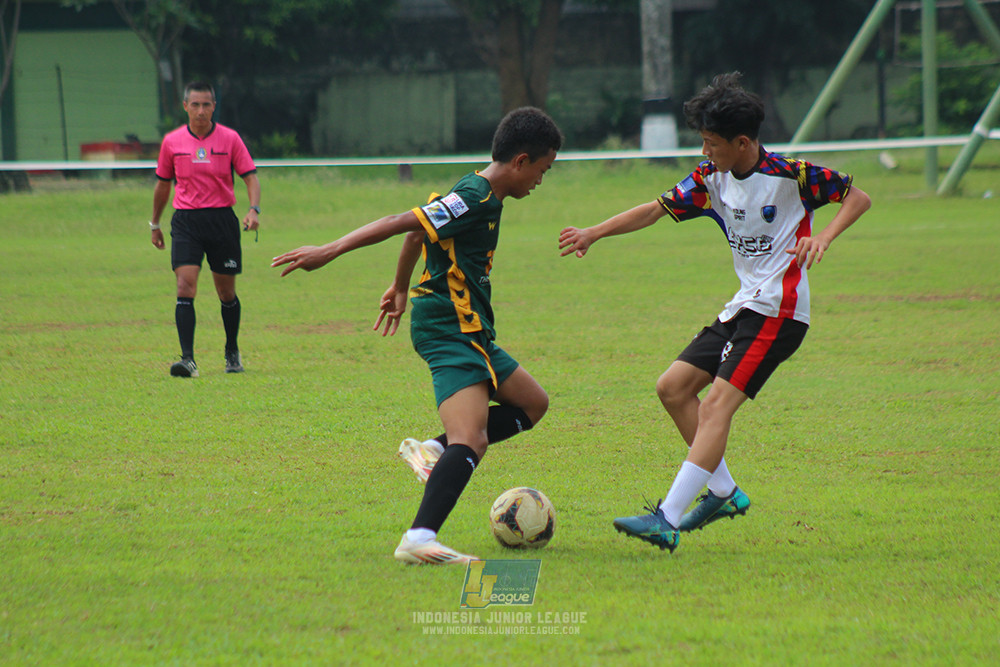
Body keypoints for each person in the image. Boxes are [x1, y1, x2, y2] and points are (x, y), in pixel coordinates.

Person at [558, 72, 871, 553]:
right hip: (744, 305)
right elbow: (656, 209)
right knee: (673, 388)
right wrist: (594, 232)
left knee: (716, 407)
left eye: (711, 143)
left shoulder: (792, 175)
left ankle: (667, 517)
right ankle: (724, 492)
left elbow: (857, 197)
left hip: (780, 311)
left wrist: (823, 237)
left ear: (742, 142)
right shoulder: (711, 178)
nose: (704, 151)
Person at [272, 107, 563, 565]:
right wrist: (330, 250)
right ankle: (419, 538)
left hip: (470, 327)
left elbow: (418, 234)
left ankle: (432, 450)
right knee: (472, 438)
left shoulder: (478, 192)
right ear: (521, 161)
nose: (541, 181)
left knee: (532, 404)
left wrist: (401, 286)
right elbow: (400, 221)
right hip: (449, 325)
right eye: (543, 170)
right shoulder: (475, 197)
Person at [150, 81, 261, 377]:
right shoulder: (172, 142)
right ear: (185, 106)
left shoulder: (230, 139)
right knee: (184, 286)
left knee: (226, 292)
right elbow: (163, 185)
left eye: (206, 105)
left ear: (214, 107)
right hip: (186, 221)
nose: (201, 111)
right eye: (195, 104)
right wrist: (155, 224)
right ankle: (188, 360)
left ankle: (231, 350)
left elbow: (250, 177)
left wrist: (254, 209)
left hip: (221, 221)